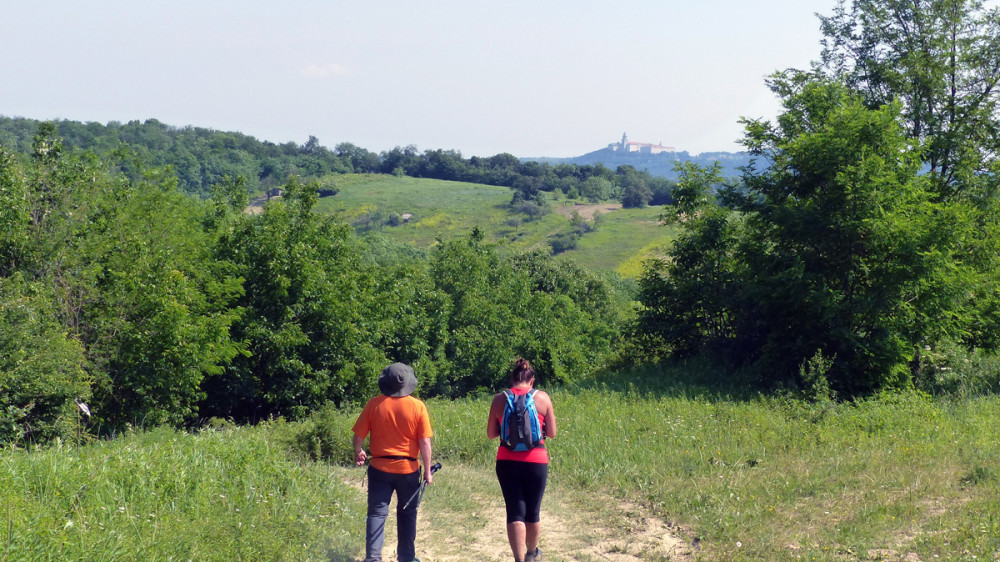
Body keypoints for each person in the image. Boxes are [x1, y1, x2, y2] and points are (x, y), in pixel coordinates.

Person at [352, 363, 433, 562]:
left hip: (380, 468)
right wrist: (428, 471)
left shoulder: (374, 404)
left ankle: (373, 558)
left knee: (377, 514)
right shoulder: (418, 406)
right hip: (408, 469)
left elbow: (358, 436)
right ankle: (406, 558)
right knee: (407, 514)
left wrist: (358, 451)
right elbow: (424, 442)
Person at [487, 358, 557, 562]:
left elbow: (491, 434)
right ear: (532, 381)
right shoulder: (543, 398)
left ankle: (518, 559)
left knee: (515, 511)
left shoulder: (499, 399)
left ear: (512, 379)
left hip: (507, 461)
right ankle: (531, 553)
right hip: (536, 461)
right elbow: (551, 433)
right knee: (533, 511)